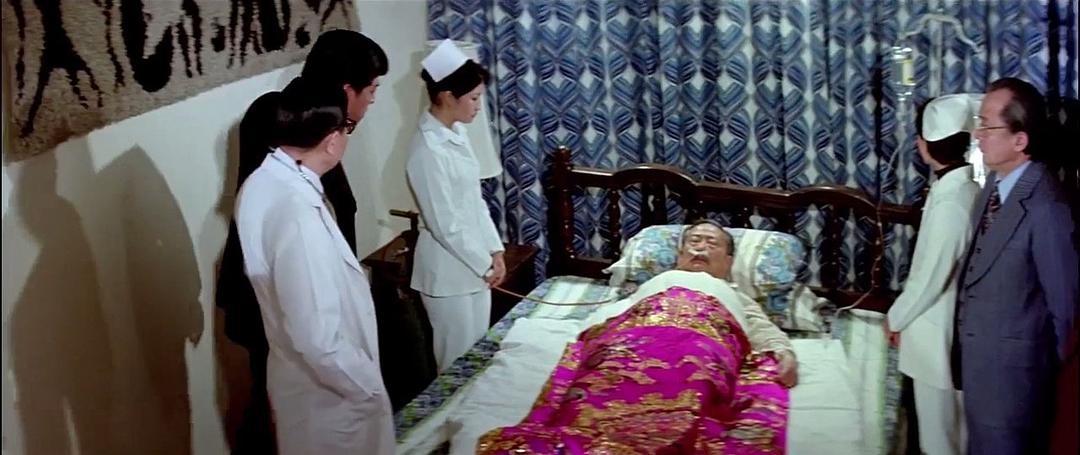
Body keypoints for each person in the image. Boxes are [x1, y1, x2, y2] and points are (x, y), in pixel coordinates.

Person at [477, 220, 798, 454]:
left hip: (703, 341)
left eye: (712, 243)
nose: (700, 247)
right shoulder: (656, 283)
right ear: (679, 254)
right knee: (602, 380)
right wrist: (594, 341)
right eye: (694, 241)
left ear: (728, 262)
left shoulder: (735, 293)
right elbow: (611, 319)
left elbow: (762, 328)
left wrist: (783, 352)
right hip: (635, 339)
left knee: (694, 385)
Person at [214, 29, 387, 453]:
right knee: (288, 417)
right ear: (347, 90)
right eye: (371, 90)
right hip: (287, 304)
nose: (372, 102)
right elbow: (315, 337)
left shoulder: (311, 138)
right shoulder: (289, 128)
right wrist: (365, 386)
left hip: (311, 306)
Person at [954, 77, 1079, 455]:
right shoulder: (992, 188)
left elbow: (1065, 311)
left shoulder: (1047, 208)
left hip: (1015, 385)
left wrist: (1037, 377)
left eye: (987, 125)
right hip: (981, 371)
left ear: (1019, 140)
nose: (978, 135)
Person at [885, 94, 981, 455]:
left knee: (940, 436)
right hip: (936, 328)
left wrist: (895, 318)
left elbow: (931, 278)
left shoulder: (953, 201)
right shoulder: (954, 189)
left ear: (923, 145)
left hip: (938, 331)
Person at [406, 39, 505, 371]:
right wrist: (484, 263)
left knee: (477, 359)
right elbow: (444, 225)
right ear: (448, 97)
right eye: (474, 98)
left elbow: (474, 201)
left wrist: (495, 251)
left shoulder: (457, 133)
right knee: (455, 365)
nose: (478, 106)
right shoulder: (427, 150)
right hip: (447, 274)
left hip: (476, 265)